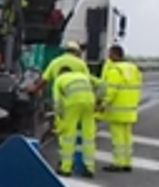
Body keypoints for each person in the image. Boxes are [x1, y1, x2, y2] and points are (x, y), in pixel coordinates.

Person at [97, 43, 143, 172]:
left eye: (110, 53)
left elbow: (111, 90)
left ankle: (118, 163)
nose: (108, 56)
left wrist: (103, 104)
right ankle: (127, 162)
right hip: (130, 110)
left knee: (117, 139)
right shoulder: (133, 69)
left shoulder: (115, 70)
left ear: (114, 54)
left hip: (117, 110)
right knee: (127, 138)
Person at [52, 63, 98, 178]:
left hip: (72, 104)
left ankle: (66, 168)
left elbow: (57, 103)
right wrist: (100, 100)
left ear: (60, 73)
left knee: (68, 137)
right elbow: (102, 84)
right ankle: (89, 168)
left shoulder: (59, 80)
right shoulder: (82, 75)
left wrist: (60, 119)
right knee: (88, 136)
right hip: (89, 102)